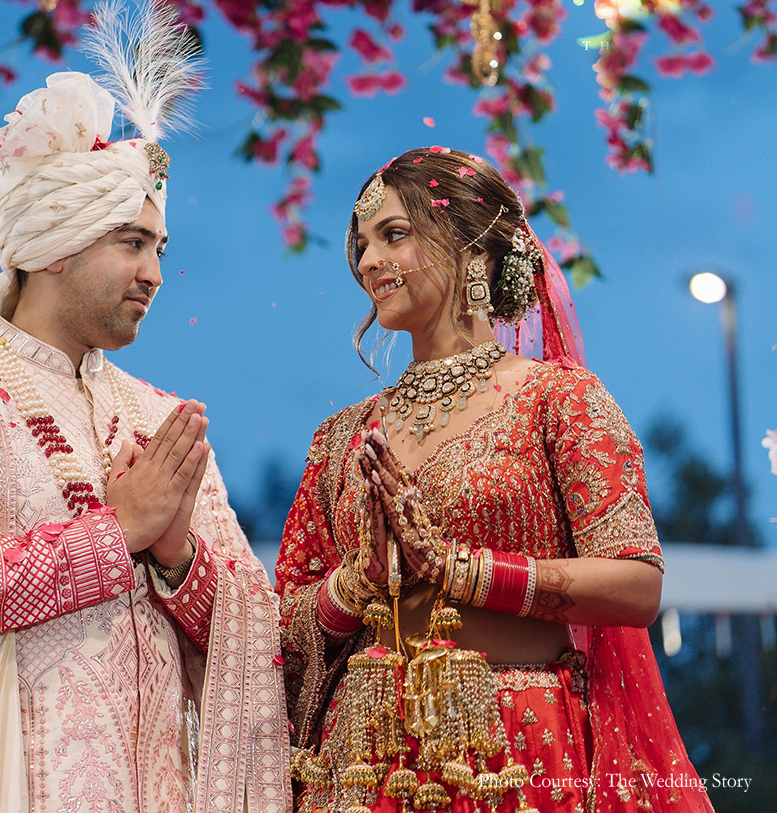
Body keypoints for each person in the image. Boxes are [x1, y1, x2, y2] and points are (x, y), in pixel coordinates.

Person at [0, 4, 290, 812]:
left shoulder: (161, 417)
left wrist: (178, 560)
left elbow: (257, 636)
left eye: (160, 249)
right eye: (132, 243)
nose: (154, 274)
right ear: (51, 247)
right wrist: (116, 534)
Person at [276, 146, 714, 812]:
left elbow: (635, 584)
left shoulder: (560, 402)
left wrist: (458, 568)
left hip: (516, 747)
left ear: (473, 250)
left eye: (393, 235)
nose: (367, 262)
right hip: (361, 761)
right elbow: (284, 623)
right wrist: (357, 581)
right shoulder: (340, 437)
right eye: (362, 245)